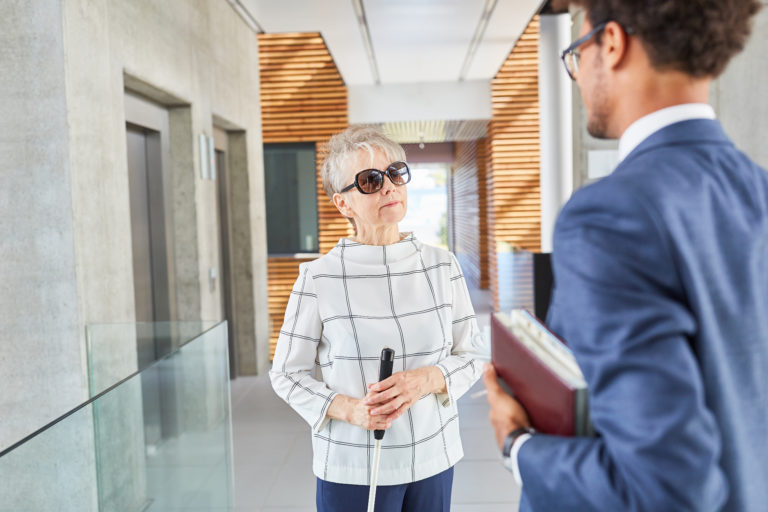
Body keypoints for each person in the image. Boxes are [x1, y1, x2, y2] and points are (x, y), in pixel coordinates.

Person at [483, 0, 767, 510]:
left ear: (610, 44)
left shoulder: (610, 216)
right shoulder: (758, 191)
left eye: (576, 51)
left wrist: (518, 445)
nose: (576, 76)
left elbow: (665, 489)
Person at [270, 126, 484, 512]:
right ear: (343, 204)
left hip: (432, 457)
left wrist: (426, 380)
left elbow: (473, 354)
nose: (389, 187)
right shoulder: (318, 277)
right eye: (370, 180)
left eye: (395, 173)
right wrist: (351, 409)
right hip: (353, 465)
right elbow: (286, 374)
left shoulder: (442, 265)